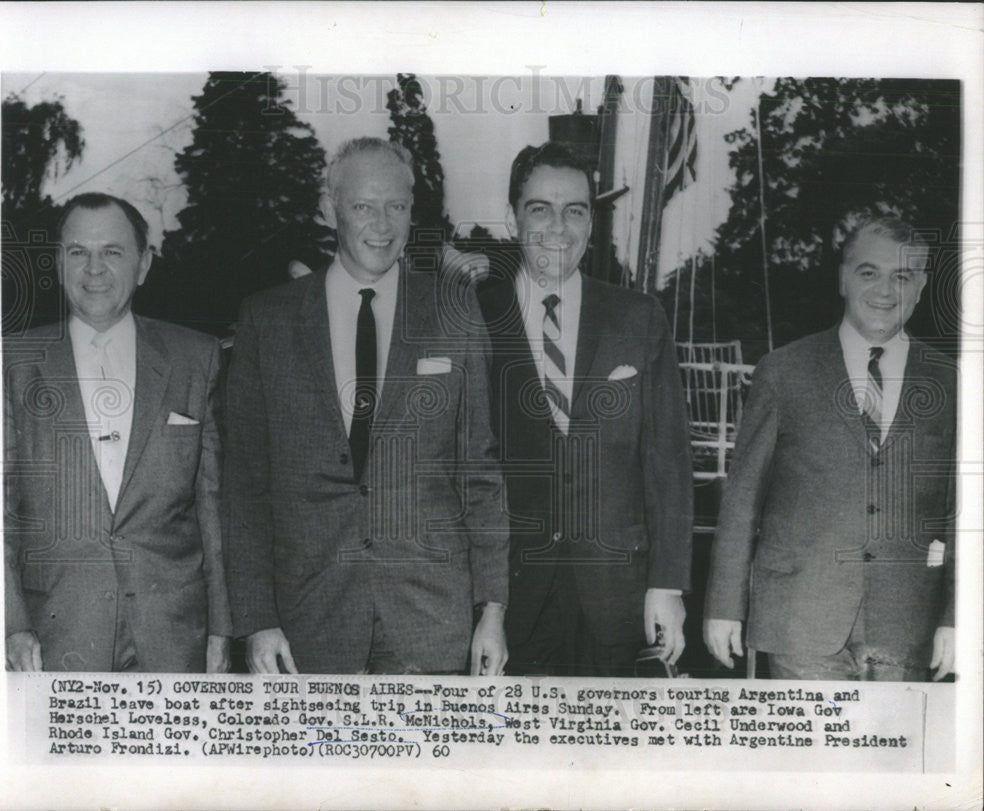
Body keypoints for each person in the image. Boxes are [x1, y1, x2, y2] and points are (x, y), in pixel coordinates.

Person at [223, 137, 508, 675]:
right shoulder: (268, 320)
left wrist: (492, 611)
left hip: (429, 624)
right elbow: (245, 487)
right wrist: (257, 619)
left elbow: (480, 473)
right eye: (362, 207)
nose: (382, 224)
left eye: (396, 206)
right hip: (307, 624)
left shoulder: (455, 311)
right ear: (328, 210)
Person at [704, 215, 956, 682]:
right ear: (843, 278)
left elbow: (963, 515)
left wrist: (955, 617)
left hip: (906, 629)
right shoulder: (783, 372)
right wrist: (724, 607)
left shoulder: (951, 382)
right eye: (868, 272)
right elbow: (741, 503)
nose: (884, 290)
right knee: (810, 757)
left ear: (921, 287)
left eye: (902, 276)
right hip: (798, 623)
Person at [476, 142, 694, 677]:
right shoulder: (472, 319)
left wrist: (667, 584)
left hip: (619, 601)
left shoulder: (638, 318)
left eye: (574, 210)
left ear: (591, 223)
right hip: (509, 602)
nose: (558, 226)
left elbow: (667, 461)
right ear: (512, 218)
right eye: (539, 209)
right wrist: (484, 603)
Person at [4, 193, 231, 672]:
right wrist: (10, 623)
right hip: (53, 636)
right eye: (77, 252)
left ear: (144, 264)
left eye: (112, 252)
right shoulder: (10, 363)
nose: (94, 269)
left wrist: (221, 628)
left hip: (174, 637)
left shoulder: (197, 357)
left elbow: (213, 507)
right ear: (58, 263)